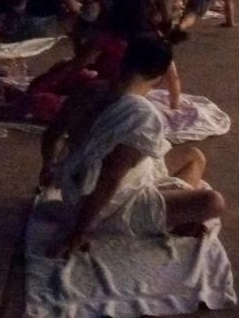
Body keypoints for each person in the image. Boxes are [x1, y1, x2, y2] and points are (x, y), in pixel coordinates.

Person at [50, 34, 225, 258]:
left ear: (125, 61)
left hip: (79, 190)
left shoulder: (89, 90)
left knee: (193, 155)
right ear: (160, 77)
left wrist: (50, 168)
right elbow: (109, 178)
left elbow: (52, 135)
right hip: (106, 208)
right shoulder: (142, 115)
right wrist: (79, 232)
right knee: (213, 202)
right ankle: (172, 217)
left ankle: (173, 209)